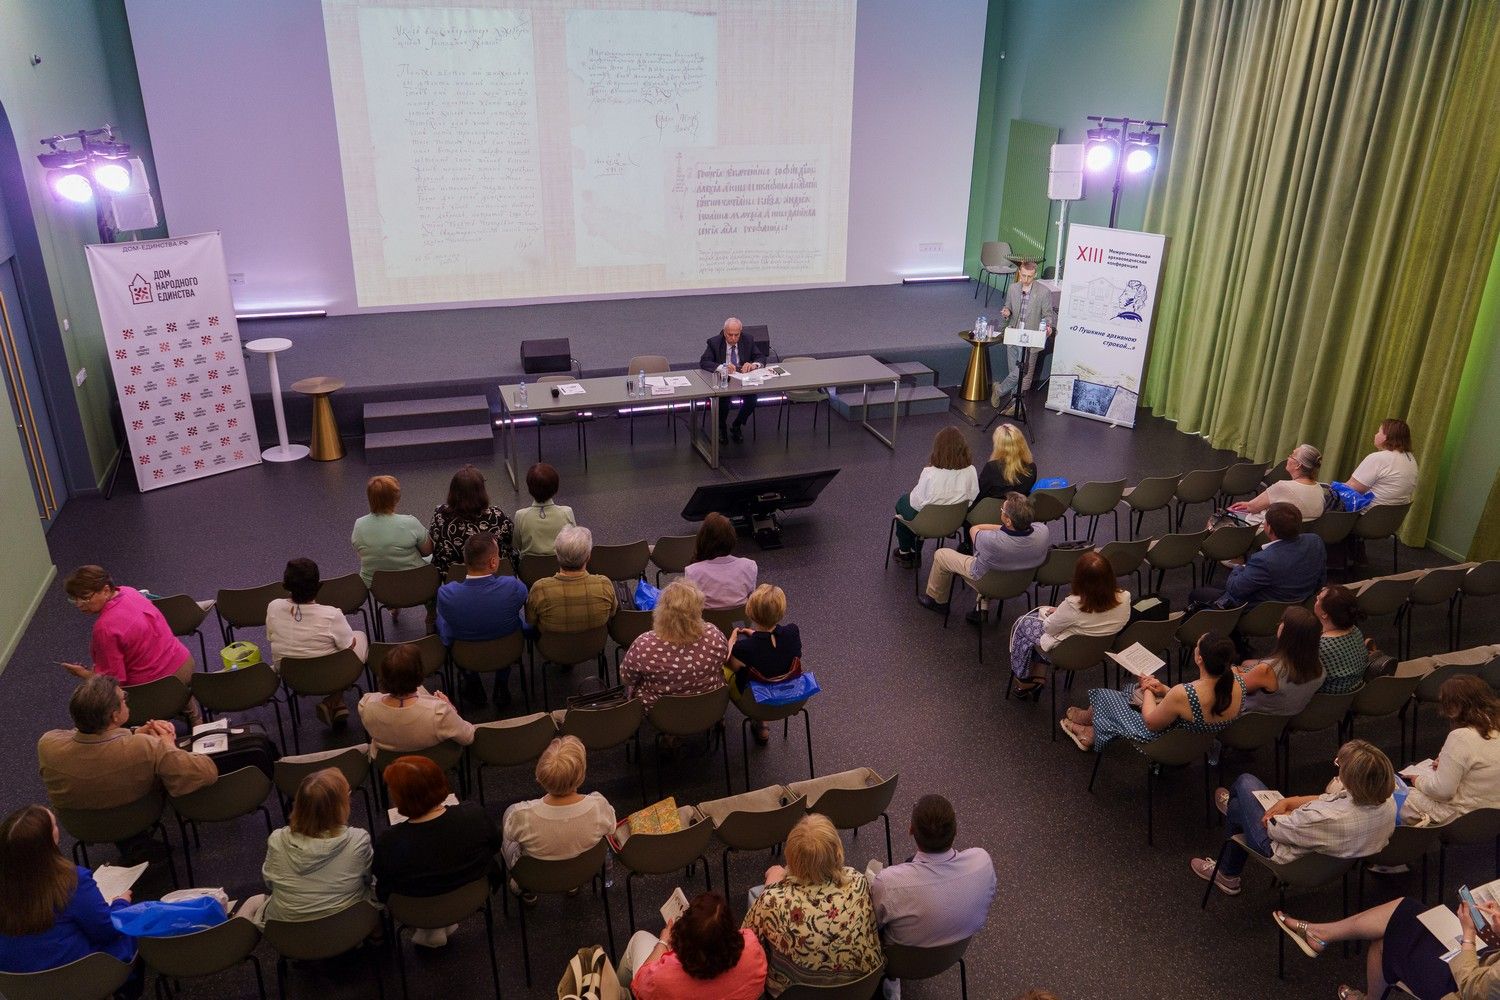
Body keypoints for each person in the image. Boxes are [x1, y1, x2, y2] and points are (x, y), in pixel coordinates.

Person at [1193, 739, 1395, 895]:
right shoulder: (1386, 801)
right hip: (1337, 859)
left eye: (1339, 766)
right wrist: (1289, 801)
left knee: (1245, 783)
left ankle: (1228, 872)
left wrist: (1288, 811)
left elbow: (1273, 828)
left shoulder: (1322, 817)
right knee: (1239, 808)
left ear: (1351, 779)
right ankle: (1238, 822)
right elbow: (1328, 797)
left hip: (1288, 857)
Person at [742, 814, 882, 996]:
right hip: (861, 990)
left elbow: (745, 943)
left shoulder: (772, 900)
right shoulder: (857, 881)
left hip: (795, 994)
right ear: (837, 851)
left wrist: (772, 886)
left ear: (790, 857)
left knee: (757, 897)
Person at [37, 674, 217, 813]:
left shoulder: (47, 744)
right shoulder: (145, 747)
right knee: (181, 730)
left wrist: (134, 732)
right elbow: (207, 772)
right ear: (115, 715)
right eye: (124, 698)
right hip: (139, 814)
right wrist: (167, 744)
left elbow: (78, 737)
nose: (126, 700)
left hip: (83, 826)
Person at [0, 805, 138, 981]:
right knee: (131, 924)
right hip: (79, 980)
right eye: (54, 825)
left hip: (20, 986)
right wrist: (121, 903)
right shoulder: (71, 880)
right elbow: (107, 931)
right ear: (50, 842)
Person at [372, 756, 499, 947]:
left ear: (399, 799)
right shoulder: (474, 816)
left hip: (417, 911)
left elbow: (384, 881)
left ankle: (430, 931)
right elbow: (495, 845)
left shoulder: (389, 842)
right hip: (472, 898)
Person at [1274, 896, 1500, 999]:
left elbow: (1472, 988)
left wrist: (1468, 935)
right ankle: (1320, 934)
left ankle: (1319, 935)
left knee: (1384, 943)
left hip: (1464, 988)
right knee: (1407, 909)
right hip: (1486, 968)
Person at [60, 566, 200, 724]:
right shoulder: (130, 591)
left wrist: (84, 675)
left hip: (154, 688)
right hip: (183, 665)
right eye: (74, 599)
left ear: (106, 590)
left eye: (85, 598)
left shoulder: (104, 628)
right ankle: (193, 715)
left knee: (108, 707)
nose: (79, 604)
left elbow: (112, 682)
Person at [1061, 632, 1245, 752]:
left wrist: (1148, 686)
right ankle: (1091, 723)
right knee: (1132, 691)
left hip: (1163, 743)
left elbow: (1150, 722)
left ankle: (1090, 732)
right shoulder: (1238, 682)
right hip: (1193, 745)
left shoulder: (1184, 693)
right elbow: (1192, 703)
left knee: (1106, 695)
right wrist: (1164, 689)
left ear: (1199, 659)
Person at [870, 795, 996, 950]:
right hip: (954, 953)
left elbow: (872, 921)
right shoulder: (982, 862)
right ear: (955, 830)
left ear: (911, 830)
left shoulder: (888, 883)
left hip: (899, 962)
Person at [500, 736, 616, 900]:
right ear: (581, 775)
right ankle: (571, 882)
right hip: (582, 870)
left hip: (535, 876)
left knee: (508, 827)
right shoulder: (598, 805)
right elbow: (612, 828)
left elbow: (509, 835)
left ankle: (526, 888)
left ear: (541, 775)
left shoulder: (521, 814)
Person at [1008, 551, 1130, 698]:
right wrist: (1061, 613)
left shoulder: (1073, 605)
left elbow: (1048, 628)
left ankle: (1023, 679)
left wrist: (1057, 613)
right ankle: (1038, 674)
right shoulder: (1125, 597)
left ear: (1080, 579)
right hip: (1098, 651)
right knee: (1035, 620)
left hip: (1065, 653)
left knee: (1023, 623)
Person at [259, 768, 374, 924]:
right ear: (340, 805)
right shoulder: (358, 840)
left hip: (290, 932)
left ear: (299, 804)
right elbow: (367, 879)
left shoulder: (277, 839)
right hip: (347, 929)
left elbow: (269, 883)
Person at [266, 557, 368, 728]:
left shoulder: (273, 606)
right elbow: (349, 647)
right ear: (318, 585)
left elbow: (270, 637)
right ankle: (333, 700)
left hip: (293, 677)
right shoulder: (331, 614)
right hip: (327, 675)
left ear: (286, 585)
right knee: (357, 638)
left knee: (327, 649)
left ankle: (337, 703)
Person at [920, 492, 1050, 623]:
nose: (1001, 511)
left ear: (1008, 521)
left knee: (941, 554)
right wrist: (1009, 529)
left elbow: (975, 529)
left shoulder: (991, 541)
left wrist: (1002, 529)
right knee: (991, 560)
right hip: (1021, 583)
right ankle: (982, 607)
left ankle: (937, 600)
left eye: (1002, 510)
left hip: (987, 581)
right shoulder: (1043, 531)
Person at [617, 891, 768, 1000]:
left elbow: (639, 985)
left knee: (639, 937)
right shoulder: (752, 946)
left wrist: (663, 942)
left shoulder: (662, 978)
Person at [435, 532, 528, 709]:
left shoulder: (446, 594)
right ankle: (502, 684)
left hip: (466, 655)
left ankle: (473, 683)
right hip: (508, 651)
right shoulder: (512, 586)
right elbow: (523, 600)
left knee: (443, 622)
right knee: (511, 621)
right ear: (493, 562)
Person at [1398, 675, 1500, 826]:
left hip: (1463, 817)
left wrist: (1418, 780)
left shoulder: (1461, 737)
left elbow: (1442, 792)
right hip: (1493, 814)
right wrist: (1448, 765)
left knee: (1393, 795)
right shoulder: (1495, 725)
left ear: (1454, 707)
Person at [1188, 502, 1327, 610]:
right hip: (1301, 603)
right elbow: (1321, 579)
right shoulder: (1315, 541)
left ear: (1269, 528)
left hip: (1259, 612)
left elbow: (1235, 589)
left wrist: (1239, 567)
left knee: (1198, 595)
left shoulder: (1264, 560)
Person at [619, 580, 728, 711]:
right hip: (709, 706)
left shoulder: (644, 645)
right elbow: (723, 660)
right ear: (698, 609)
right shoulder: (714, 635)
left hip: (661, 713)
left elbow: (627, 677)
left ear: (661, 610)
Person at [358, 643, 476, 756]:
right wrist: (451, 708)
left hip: (391, 767)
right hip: (432, 764)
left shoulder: (366, 705)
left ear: (383, 676)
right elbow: (468, 737)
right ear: (420, 673)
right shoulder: (440, 712)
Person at [892, 428, 980, 568]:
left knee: (903, 504)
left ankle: (906, 553)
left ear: (938, 449)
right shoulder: (971, 470)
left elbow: (917, 503)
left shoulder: (930, 473)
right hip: (954, 522)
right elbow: (973, 497)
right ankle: (914, 550)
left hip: (927, 524)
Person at [727, 584, 802, 744]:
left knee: (724, 670)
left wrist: (731, 642)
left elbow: (730, 664)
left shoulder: (744, 648)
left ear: (751, 612)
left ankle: (719, 718)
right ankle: (762, 725)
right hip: (791, 698)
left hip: (754, 702)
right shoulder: (792, 632)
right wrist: (755, 634)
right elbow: (772, 646)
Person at [990, 259, 1057, 411]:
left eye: (1030, 276)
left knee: (1022, 373)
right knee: (1014, 371)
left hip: (1030, 338)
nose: (1026, 279)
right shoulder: (1013, 288)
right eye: (1024, 276)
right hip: (1013, 335)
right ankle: (1015, 405)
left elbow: (1047, 316)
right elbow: (1007, 307)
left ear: (1035, 274)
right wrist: (1006, 312)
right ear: (1019, 273)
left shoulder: (1043, 292)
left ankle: (999, 390)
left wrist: (1047, 327)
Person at [525, 525, 618, 634]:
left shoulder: (540, 589)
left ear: (557, 555)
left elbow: (531, 620)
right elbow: (612, 613)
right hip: (592, 644)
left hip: (552, 648)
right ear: (588, 557)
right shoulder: (604, 585)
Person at [1236, 606, 1327, 716]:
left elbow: (1235, 689)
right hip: (1279, 723)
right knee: (1245, 664)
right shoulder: (1320, 668)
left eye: (1282, 622)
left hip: (1245, 717)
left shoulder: (1269, 670)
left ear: (1286, 632)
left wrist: (1232, 669)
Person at [428, 464, 514, 578]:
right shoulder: (497, 516)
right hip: (493, 574)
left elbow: (434, 538)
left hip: (452, 576)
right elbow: (510, 539)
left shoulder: (440, 514)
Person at [349, 474, 433, 587]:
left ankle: (392, 604)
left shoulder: (359, 524)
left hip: (377, 587)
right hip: (413, 583)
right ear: (395, 499)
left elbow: (363, 555)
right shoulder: (410, 522)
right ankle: (432, 603)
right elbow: (428, 550)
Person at [699, 317, 765, 444]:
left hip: (743, 379)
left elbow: (760, 357)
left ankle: (737, 425)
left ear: (740, 332)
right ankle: (721, 428)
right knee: (723, 401)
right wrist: (722, 367)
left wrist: (754, 365)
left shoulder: (748, 339)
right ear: (724, 332)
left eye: (737, 335)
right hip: (724, 380)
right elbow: (704, 362)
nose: (733, 338)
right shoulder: (714, 342)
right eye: (730, 335)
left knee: (752, 399)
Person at [1223, 444, 1326, 524]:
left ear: (1298, 465)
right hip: (1295, 536)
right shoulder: (1319, 489)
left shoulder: (1283, 487)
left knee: (1222, 517)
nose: (1288, 457)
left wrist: (1249, 505)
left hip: (1264, 532)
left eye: (1292, 455)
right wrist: (1249, 504)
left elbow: (1252, 508)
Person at [685, 513, 759, 610]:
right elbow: (751, 600)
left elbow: (691, 607)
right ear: (732, 537)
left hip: (706, 623)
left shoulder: (692, 571)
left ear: (702, 539)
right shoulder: (749, 566)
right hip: (740, 622)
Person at [1346, 418, 1419, 507]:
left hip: (1363, 515)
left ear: (1387, 436)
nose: (1375, 435)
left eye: (1379, 432)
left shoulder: (1378, 458)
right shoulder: (1411, 460)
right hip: (1389, 518)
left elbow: (1351, 488)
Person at [511, 462, 576, 559]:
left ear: (529, 488)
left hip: (529, 570)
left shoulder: (520, 515)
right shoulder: (566, 512)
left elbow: (517, 545)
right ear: (556, 487)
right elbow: (573, 542)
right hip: (559, 568)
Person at [1315, 585, 1371, 694]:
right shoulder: (1355, 630)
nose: (1316, 599)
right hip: (1352, 696)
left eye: (1318, 599)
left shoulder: (1322, 646)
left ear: (1325, 614)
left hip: (1325, 702)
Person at [975, 423, 1038, 504]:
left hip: (991, 512)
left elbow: (979, 494)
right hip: (1017, 512)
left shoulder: (992, 468)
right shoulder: (1031, 467)